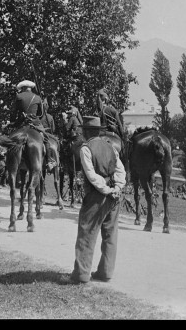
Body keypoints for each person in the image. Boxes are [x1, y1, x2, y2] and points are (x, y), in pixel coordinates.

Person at [69, 116, 126, 284]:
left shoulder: (86, 148)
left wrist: (106, 190)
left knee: (87, 232)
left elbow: (91, 175)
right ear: (98, 131)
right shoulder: (110, 146)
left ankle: (81, 275)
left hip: (97, 196)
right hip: (114, 196)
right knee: (110, 234)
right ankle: (105, 272)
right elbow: (120, 171)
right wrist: (116, 188)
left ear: (86, 132)